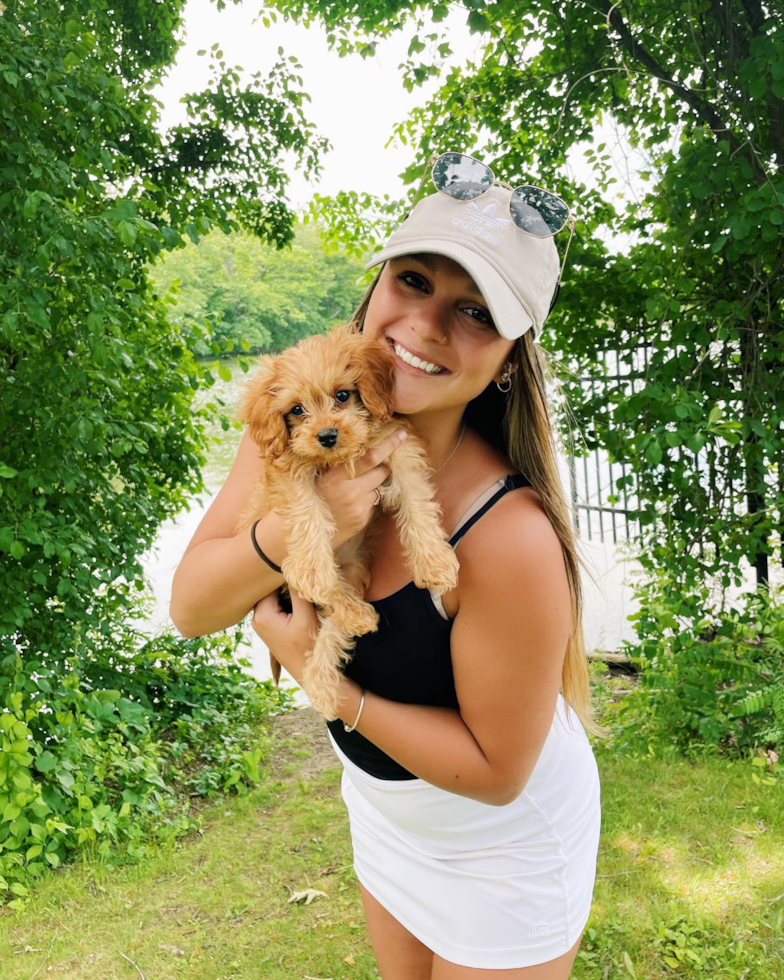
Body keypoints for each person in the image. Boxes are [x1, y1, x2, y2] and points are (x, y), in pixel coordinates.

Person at [170, 156, 601, 979]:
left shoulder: (508, 536)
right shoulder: (297, 435)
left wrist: (320, 676)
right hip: (387, 811)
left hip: (501, 849)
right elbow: (191, 608)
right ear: (372, 293)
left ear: (510, 359)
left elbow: (497, 774)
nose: (428, 325)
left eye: (475, 310)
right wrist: (298, 532)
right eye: (412, 280)